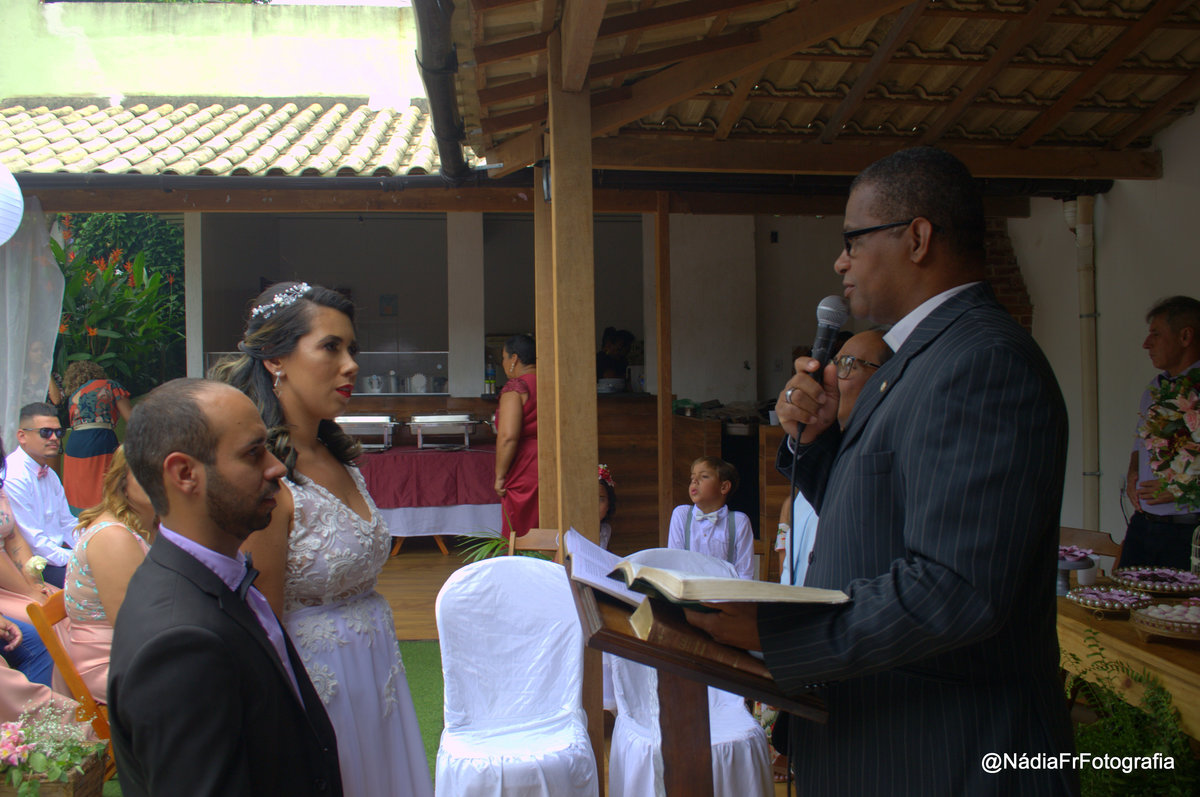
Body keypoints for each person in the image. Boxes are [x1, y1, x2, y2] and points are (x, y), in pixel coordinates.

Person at [686, 147, 1075, 796]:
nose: (840, 260)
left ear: (918, 237)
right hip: (875, 740)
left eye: (853, 240)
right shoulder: (909, 362)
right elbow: (871, 515)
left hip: (945, 753)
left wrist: (779, 628)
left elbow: (958, 587)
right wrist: (814, 445)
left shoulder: (984, 362)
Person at [209, 282, 433, 797]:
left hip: (376, 672)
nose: (351, 364)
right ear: (276, 360)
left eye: (352, 349)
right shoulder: (269, 479)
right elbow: (262, 626)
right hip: (320, 686)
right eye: (331, 347)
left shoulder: (339, 457)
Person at [109, 378, 343, 797]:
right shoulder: (179, 643)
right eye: (253, 453)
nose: (277, 467)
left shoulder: (222, 574)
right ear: (184, 474)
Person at [60, 446, 156, 703]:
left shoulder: (148, 523)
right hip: (112, 662)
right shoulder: (113, 538)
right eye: (146, 472)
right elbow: (135, 629)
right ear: (121, 480)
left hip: (136, 651)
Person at [1122, 295, 1200, 571]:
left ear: (1185, 336)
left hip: (1189, 532)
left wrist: (1184, 489)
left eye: (1156, 334)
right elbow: (1139, 443)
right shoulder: (1153, 388)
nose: (1146, 343)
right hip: (1144, 526)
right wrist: (1133, 474)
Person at [0, 437, 56, 690]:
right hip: (5, 586)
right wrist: (27, 592)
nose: (54, 437)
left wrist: (34, 580)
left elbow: (14, 538)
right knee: (40, 621)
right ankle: (39, 720)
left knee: (62, 604)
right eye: (45, 432)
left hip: (13, 576)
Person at [4, 403, 75, 587]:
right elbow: (34, 542)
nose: (54, 438)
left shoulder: (49, 473)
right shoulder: (14, 475)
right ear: (22, 436)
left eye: (59, 433)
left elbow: (68, 523)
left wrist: (90, 547)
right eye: (45, 432)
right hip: (34, 564)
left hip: (57, 554)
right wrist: (80, 557)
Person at [62, 361, 132, 513]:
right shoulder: (110, 386)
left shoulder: (74, 397)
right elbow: (132, 420)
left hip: (75, 444)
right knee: (103, 487)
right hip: (99, 439)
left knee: (79, 491)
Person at [668, 457, 754, 580]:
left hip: (724, 594)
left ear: (724, 487)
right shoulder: (681, 515)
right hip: (690, 593)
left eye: (704, 476)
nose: (695, 481)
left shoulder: (739, 521)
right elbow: (674, 563)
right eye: (692, 478)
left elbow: (745, 574)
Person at [493, 333, 538, 538]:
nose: (503, 363)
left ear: (514, 359)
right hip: (553, 460)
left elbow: (508, 437)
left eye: (504, 357)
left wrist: (500, 475)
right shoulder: (552, 383)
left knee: (520, 529)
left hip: (525, 465)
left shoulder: (515, 387)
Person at [598, 463, 616, 550]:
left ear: (608, 505)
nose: (595, 505)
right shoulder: (572, 532)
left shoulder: (606, 530)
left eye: (601, 500)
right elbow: (558, 563)